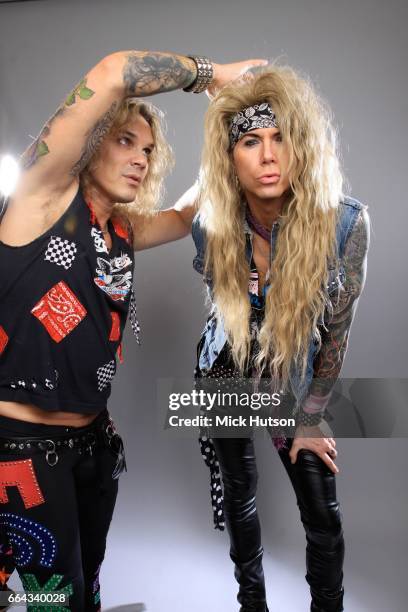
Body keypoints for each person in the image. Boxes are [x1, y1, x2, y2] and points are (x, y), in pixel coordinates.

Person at [0, 50, 265, 611]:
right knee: (55, 601)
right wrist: (213, 76)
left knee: (88, 581)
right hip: (22, 448)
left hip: (93, 441)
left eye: (147, 149)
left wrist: (226, 139)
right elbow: (110, 72)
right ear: (91, 140)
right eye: (125, 141)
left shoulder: (120, 229)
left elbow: (186, 214)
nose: (141, 158)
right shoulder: (41, 197)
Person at [192, 67, 370, 611]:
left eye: (281, 137)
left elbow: (335, 332)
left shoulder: (345, 224)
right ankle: (252, 602)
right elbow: (224, 305)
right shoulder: (210, 225)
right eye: (250, 141)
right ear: (231, 157)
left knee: (323, 515)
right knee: (240, 495)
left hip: (290, 376)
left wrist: (310, 414)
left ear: (302, 147)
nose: (268, 156)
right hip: (224, 368)